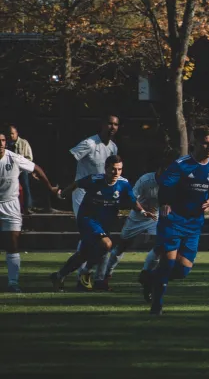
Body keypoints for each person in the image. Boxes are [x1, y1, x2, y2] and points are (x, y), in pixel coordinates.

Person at [144, 128, 209, 315]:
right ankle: (157, 306)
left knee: (182, 271)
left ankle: (150, 279)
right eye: (205, 142)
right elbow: (165, 186)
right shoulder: (181, 165)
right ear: (195, 143)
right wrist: (166, 203)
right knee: (168, 263)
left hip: (194, 223)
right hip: (173, 219)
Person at [50, 155, 155, 292]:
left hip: (105, 222)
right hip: (87, 219)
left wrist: (143, 212)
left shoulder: (123, 184)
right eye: (113, 169)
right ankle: (86, 272)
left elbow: (132, 201)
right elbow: (76, 184)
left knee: (84, 254)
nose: (116, 173)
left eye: (119, 169)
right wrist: (62, 194)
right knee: (106, 244)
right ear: (106, 168)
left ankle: (59, 276)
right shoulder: (94, 180)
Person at [99, 151, 178, 285]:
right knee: (122, 246)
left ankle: (146, 274)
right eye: (164, 171)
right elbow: (132, 198)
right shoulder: (146, 180)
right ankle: (107, 274)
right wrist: (143, 210)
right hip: (138, 216)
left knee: (161, 245)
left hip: (157, 218)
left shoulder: (174, 182)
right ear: (159, 170)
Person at [0, 130, 58, 292]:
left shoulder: (14, 158)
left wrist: (50, 188)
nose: (1, 144)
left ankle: (13, 283)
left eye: (3, 140)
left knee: (12, 245)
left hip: (11, 205)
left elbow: (36, 168)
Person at [70, 115, 119, 289]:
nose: (112, 127)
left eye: (115, 124)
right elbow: (69, 158)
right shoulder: (89, 143)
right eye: (109, 123)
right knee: (89, 235)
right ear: (102, 124)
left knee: (104, 237)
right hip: (82, 194)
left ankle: (99, 278)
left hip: (101, 198)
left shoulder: (113, 147)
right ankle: (81, 277)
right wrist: (64, 186)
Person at [7, 125, 34, 215]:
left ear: (16, 133)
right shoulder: (7, 144)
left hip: (22, 170)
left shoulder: (24, 143)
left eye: (12, 133)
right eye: (9, 134)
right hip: (10, 170)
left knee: (26, 187)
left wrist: (21, 163)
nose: (11, 136)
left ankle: (28, 207)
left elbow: (30, 158)